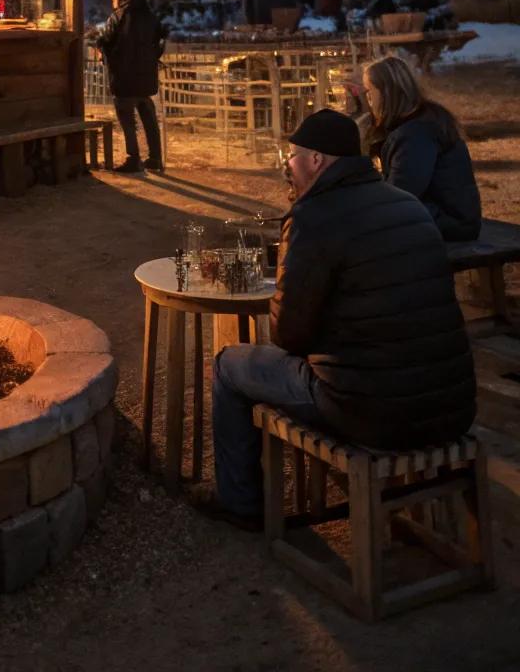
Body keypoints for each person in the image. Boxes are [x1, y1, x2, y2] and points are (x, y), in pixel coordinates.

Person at [197, 108, 476, 530]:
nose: (286, 168)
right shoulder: (410, 206)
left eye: (290, 158)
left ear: (315, 161)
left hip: (368, 411)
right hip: (451, 406)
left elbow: (288, 335)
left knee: (228, 365)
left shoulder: (312, 218)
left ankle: (240, 506)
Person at [363, 55, 481, 241]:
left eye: (370, 91)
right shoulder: (422, 120)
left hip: (450, 223)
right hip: (447, 217)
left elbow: (401, 194)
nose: (368, 99)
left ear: (386, 92)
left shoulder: (415, 133)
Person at [91, 0, 166, 175]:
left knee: (127, 118)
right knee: (147, 113)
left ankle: (134, 159)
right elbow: (160, 42)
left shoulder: (119, 16)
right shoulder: (150, 16)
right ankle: (155, 158)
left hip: (125, 78)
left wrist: (100, 46)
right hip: (146, 77)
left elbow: (106, 41)